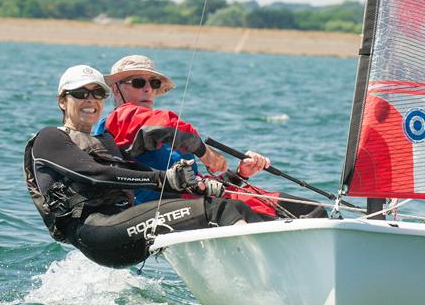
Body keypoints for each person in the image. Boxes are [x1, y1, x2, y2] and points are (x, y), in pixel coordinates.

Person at [24, 64, 271, 269]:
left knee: (235, 206)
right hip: (96, 233)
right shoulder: (49, 138)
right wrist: (163, 178)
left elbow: (142, 174)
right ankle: (265, 275)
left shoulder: (105, 143)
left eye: (97, 94)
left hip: (127, 231)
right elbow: (96, 175)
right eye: (80, 93)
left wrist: (223, 179)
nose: (90, 100)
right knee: (218, 211)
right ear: (62, 102)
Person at [96, 55, 326, 219]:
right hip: (167, 210)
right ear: (116, 89)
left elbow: (198, 182)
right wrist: (206, 153)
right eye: (138, 82)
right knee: (300, 212)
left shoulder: (164, 131)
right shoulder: (120, 117)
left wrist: (238, 174)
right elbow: (164, 126)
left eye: (153, 83)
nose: (148, 89)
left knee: (310, 209)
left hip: (196, 201)